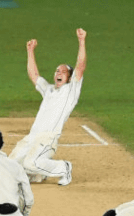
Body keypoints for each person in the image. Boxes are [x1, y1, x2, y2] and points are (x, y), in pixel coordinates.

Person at [9, 28, 87, 186]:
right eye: (57, 71)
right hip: (31, 137)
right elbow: (34, 75)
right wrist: (30, 51)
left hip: (47, 139)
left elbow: (80, 66)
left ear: (69, 77)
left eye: (63, 72)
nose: (58, 73)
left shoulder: (71, 91)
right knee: (9, 166)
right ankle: (38, 174)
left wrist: (81, 41)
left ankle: (64, 168)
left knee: (30, 163)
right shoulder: (48, 90)